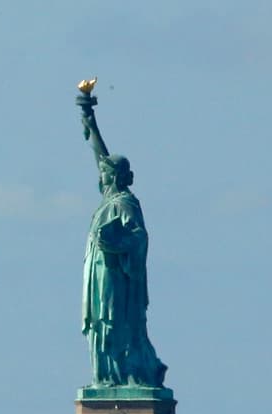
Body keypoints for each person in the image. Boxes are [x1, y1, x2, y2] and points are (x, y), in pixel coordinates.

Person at [76, 84, 168, 389]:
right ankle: (105, 377)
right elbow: (100, 155)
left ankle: (120, 375)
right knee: (101, 326)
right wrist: (90, 120)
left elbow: (138, 238)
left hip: (116, 278)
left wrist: (114, 244)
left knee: (114, 325)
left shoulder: (124, 204)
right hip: (99, 276)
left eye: (105, 173)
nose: (99, 176)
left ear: (114, 177)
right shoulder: (108, 198)